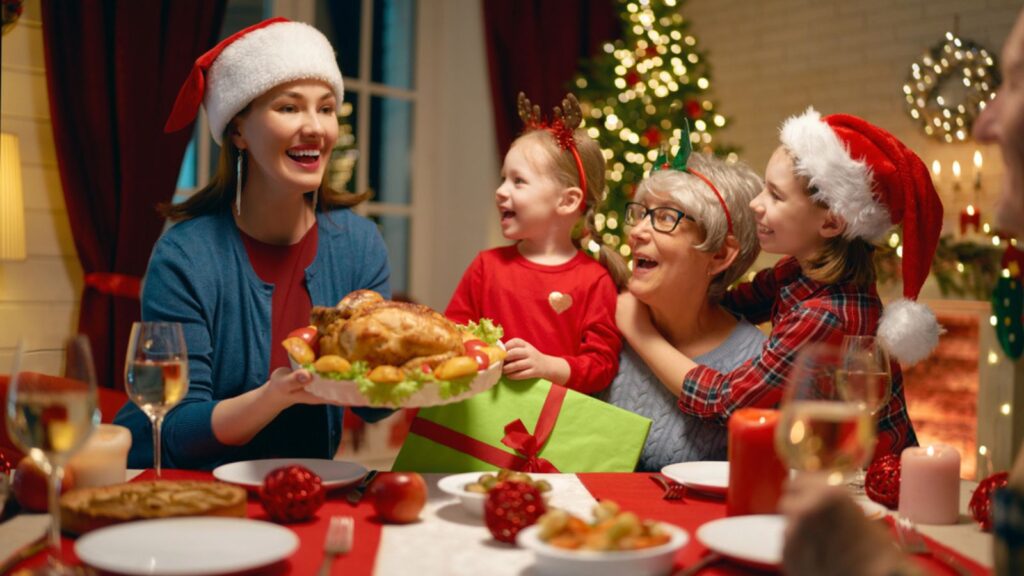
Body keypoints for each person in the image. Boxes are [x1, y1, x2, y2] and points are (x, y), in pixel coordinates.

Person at [114, 18, 392, 470]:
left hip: (309, 488)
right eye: (289, 107)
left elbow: (374, 407)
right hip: (197, 491)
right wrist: (276, 396)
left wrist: (411, 364)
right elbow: (177, 429)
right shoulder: (185, 257)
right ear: (238, 130)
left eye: (326, 108)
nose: (315, 127)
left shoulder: (359, 244)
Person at [617, 109, 944, 460]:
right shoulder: (799, 271)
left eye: (775, 195)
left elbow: (727, 402)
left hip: (866, 475)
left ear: (831, 223)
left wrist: (641, 333)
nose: (755, 204)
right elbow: (734, 301)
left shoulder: (827, 315)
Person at [445, 93, 626, 394]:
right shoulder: (485, 267)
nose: (500, 191)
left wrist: (548, 366)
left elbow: (602, 365)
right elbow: (453, 335)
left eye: (518, 181)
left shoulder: (594, 281)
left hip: (553, 419)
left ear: (567, 201)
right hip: (482, 413)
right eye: (503, 178)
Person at [599, 146, 766, 471]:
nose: (636, 232)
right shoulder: (601, 322)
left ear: (719, 255)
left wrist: (639, 331)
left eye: (665, 217)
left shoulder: (755, 365)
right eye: (642, 213)